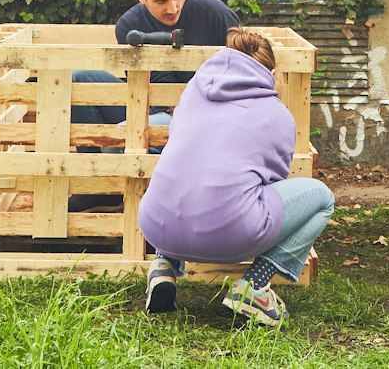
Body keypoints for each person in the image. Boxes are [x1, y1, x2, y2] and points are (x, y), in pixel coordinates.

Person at [138, 28, 333, 327]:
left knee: (187, 173)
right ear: (270, 72)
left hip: (156, 226)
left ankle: (163, 266)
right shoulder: (277, 115)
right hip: (230, 234)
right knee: (322, 198)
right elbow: (274, 183)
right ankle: (254, 286)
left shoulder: (191, 94)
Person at [71, 0, 241, 139]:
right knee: (79, 78)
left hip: (208, 114)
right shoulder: (129, 26)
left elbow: (244, 70)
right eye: (161, 1)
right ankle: (91, 157)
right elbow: (154, 85)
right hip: (152, 107)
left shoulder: (215, 13)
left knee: (123, 134)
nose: (172, 8)